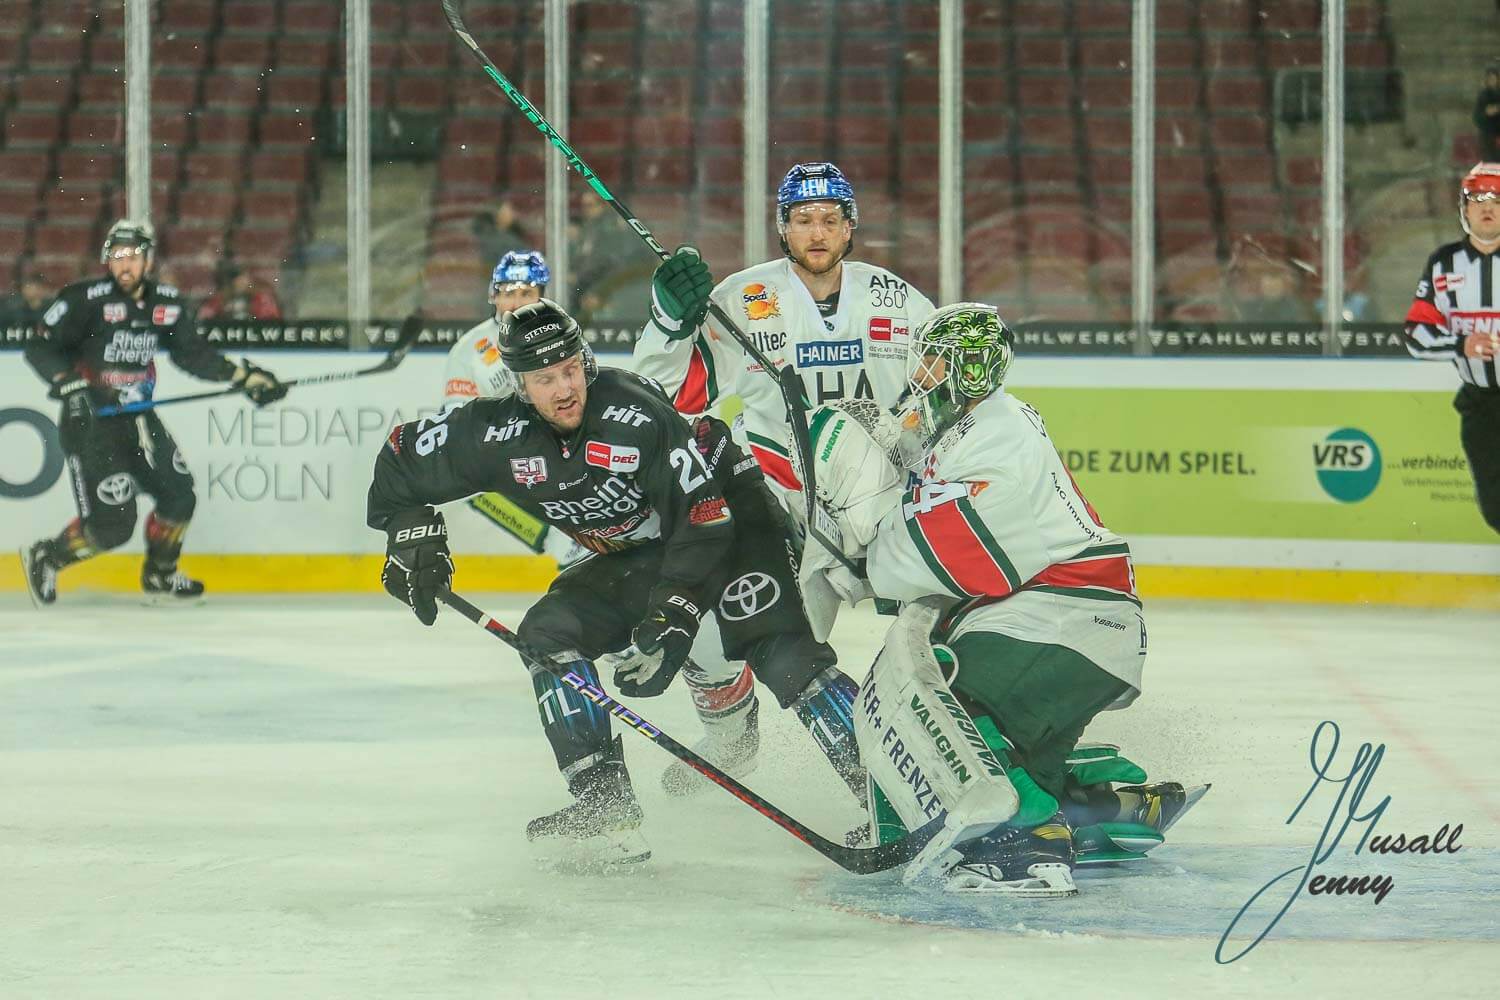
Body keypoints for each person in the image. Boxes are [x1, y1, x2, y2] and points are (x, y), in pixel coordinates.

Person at [366, 299, 867, 869]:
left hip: (731, 516)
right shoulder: (493, 433)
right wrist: (411, 533)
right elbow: (399, 460)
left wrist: (673, 613)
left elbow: (702, 519)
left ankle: (883, 789)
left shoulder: (634, 412)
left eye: (571, 369)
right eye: (544, 378)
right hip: (648, 550)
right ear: (519, 385)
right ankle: (603, 806)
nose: (564, 389)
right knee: (548, 633)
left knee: (780, 650)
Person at [797, 303, 1204, 895]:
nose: (923, 372)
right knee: (1003, 761)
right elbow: (928, 484)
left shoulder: (1001, 433)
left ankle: (1029, 840)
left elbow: (968, 551)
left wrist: (870, 549)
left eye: (936, 361)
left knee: (950, 706)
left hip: (1063, 619)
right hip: (1070, 628)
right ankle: (1111, 803)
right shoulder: (967, 426)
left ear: (969, 371)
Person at [630, 161, 936, 783]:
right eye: (802, 220)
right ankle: (729, 733)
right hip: (782, 508)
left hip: (883, 506)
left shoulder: (896, 300)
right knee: (726, 631)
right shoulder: (743, 300)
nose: (817, 233)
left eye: (830, 220)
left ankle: (963, 741)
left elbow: (941, 399)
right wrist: (667, 323)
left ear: (850, 228)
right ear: (783, 228)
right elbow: (662, 394)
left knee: (942, 623)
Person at [18, 219, 288, 606]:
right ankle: (48, 556)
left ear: (149, 260)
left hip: (140, 419)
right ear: (106, 261)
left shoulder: (167, 303)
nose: (124, 265)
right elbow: (39, 347)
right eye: (117, 257)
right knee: (113, 527)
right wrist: (68, 381)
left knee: (179, 498)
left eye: (133, 256)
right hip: (91, 424)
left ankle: (160, 576)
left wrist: (243, 376)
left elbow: (192, 354)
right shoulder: (84, 299)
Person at [1404, 162, 1500, 534]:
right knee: (1494, 508)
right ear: (1464, 209)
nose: (1487, 207)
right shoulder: (1444, 264)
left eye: (1496, 198)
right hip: (1479, 405)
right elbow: (1416, 334)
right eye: (1478, 199)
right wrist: (1463, 343)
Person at [196, 259, 283, 321]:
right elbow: (204, 320)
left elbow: (273, 323)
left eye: (242, 277)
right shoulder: (216, 301)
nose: (240, 282)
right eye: (234, 279)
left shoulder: (262, 299)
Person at [1474, 65, 1500, 162]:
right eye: (1490, 79)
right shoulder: (1483, 96)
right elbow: (1477, 117)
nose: (1492, 81)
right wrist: (1486, 113)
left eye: (1494, 78)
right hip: (1488, 134)